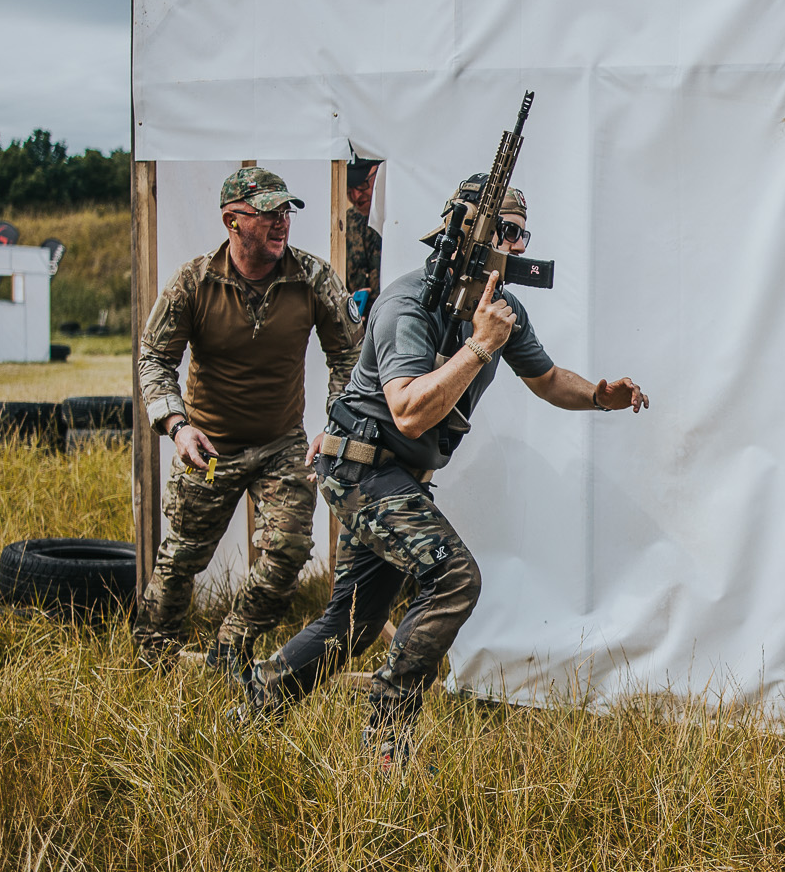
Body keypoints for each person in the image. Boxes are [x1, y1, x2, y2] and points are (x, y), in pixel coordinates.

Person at [233, 174, 650, 770]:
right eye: (506, 231)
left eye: (522, 233)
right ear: (470, 235)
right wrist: (479, 347)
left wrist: (599, 396)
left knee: (353, 623)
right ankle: (385, 741)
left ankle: (256, 701)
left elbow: (550, 380)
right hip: (359, 467)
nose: (519, 245)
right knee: (455, 578)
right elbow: (406, 411)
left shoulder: (502, 311)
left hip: (394, 477)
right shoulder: (410, 303)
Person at [134, 167, 361, 667]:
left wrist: (336, 423)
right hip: (209, 445)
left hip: (282, 445)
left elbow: (349, 353)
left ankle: (230, 646)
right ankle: (152, 656)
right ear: (232, 222)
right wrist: (176, 425)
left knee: (289, 549)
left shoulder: (313, 277)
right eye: (268, 214)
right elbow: (153, 356)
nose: (282, 223)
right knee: (183, 556)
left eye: (286, 212)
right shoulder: (192, 283)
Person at [344, 159, 384, 318]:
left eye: (361, 184)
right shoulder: (348, 222)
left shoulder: (398, 219)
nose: (355, 195)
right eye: (348, 188)